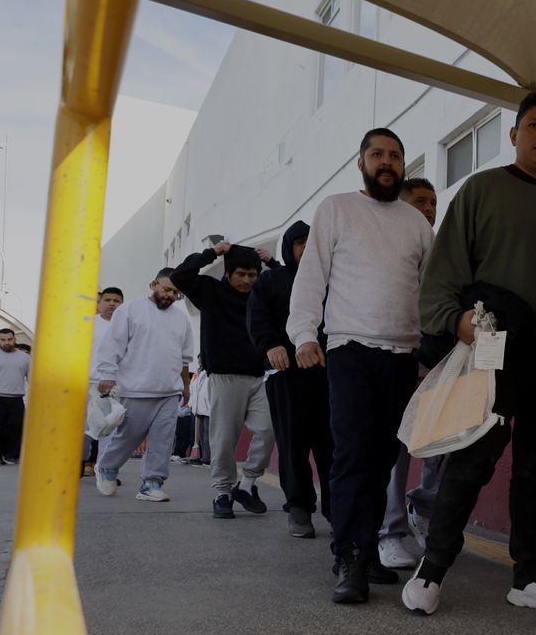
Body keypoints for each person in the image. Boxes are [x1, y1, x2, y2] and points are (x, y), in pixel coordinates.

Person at [403, 92, 536, 617]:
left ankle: (530, 576)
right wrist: (454, 320)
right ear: (514, 134)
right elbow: (443, 273)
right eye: (533, 125)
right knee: (471, 460)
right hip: (494, 349)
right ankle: (432, 568)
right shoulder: (482, 190)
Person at [288, 127, 433, 603]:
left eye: (395, 155)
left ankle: (367, 549)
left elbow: (432, 290)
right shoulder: (336, 209)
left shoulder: (416, 224)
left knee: (382, 460)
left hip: (402, 356)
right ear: (361, 162)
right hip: (349, 348)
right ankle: (348, 555)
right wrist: (304, 334)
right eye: (377, 154)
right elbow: (312, 276)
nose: (386, 162)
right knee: (351, 453)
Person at [173, 241, 276, 519]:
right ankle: (222, 493)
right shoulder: (210, 291)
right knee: (223, 440)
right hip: (224, 377)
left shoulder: (262, 293)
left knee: (269, 430)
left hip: (259, 377)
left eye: (252, 275)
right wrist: (212, 253)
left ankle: (247, 483)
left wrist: (274, 263)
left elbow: (288, 290)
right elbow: (180, 276)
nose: (247, 280)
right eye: (241, 274)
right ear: (228, 273)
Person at [248, 220, 335, 538]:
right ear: (289, 247)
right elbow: (257, 317)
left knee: (333, 445)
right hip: (286, 375)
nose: (306, 247)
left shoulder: (334, 280)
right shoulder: (271, 280)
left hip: (331, 375)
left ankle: (337, 510)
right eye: (299, 242)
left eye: (312, 241)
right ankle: (299, 508)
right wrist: (271, 345)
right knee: (292, 443)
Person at [378, 177, 443, 568]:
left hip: (439, 365)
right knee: (395, 451)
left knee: (445, 448)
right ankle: (390, 532)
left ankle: (424, 506)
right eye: (421, 201)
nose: (430, 208)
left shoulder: (443, 251)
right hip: (394, 361)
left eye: (433, 202)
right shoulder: (386, 250)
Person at [93, 268, 193, 501]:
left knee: (163, 440)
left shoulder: (181, 319)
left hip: (170, 390)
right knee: (128, 436)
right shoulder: (130, 310)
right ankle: (106, 467)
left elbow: (185, 358)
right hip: (135, 387)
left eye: (176, 292)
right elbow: (112, 346)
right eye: (166, 289)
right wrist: (107, 374)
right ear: (153, 284)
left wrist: (185, 386)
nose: (170, 295)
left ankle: (151, 483)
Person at [83, 287, 124, 476]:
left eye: (116, 301)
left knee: (109, 428)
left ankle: (105, 469)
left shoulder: (127, 326)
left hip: (113, 386)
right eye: (108, 300)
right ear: (99, 303)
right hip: (87, 382)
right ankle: (81, 462)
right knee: (84, 428)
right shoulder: (88, 325)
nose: (112, 304)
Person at [0, 328, 31, 465]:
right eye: (3, 340)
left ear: (15, 339)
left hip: (16, 398)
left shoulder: (24, 358)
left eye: (9, 339)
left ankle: (11, 455)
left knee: (15, 428)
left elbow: (31, 379)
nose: (7, 342)